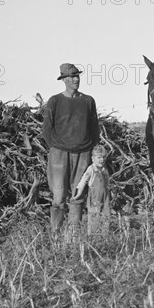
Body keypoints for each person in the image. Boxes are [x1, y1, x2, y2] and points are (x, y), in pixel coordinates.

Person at [42, 63, 100, 241]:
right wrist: (57, 147)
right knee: (58, 195)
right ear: (64, 80)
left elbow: (94, 129)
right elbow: (46, 130)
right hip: (59, 154)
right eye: (72, 77)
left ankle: (74, 237)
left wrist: (89, 148)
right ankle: (56, 235)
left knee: (78, 194)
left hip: (82, 153)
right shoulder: (55, 101)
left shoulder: (88, 101)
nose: (76, 79)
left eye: (77, 76)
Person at [72, 144, 110, 237]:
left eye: (104, 157)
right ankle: (93, 236)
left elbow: (107, 182)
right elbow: (83, 181)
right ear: (93, 158)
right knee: (94, 216)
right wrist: (79, 192)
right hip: (94, 196)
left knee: (106, 214)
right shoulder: (91, 169)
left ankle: (105, 236)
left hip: (105, 196)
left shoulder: (105, 170)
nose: (102, 159)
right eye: (99, 157)